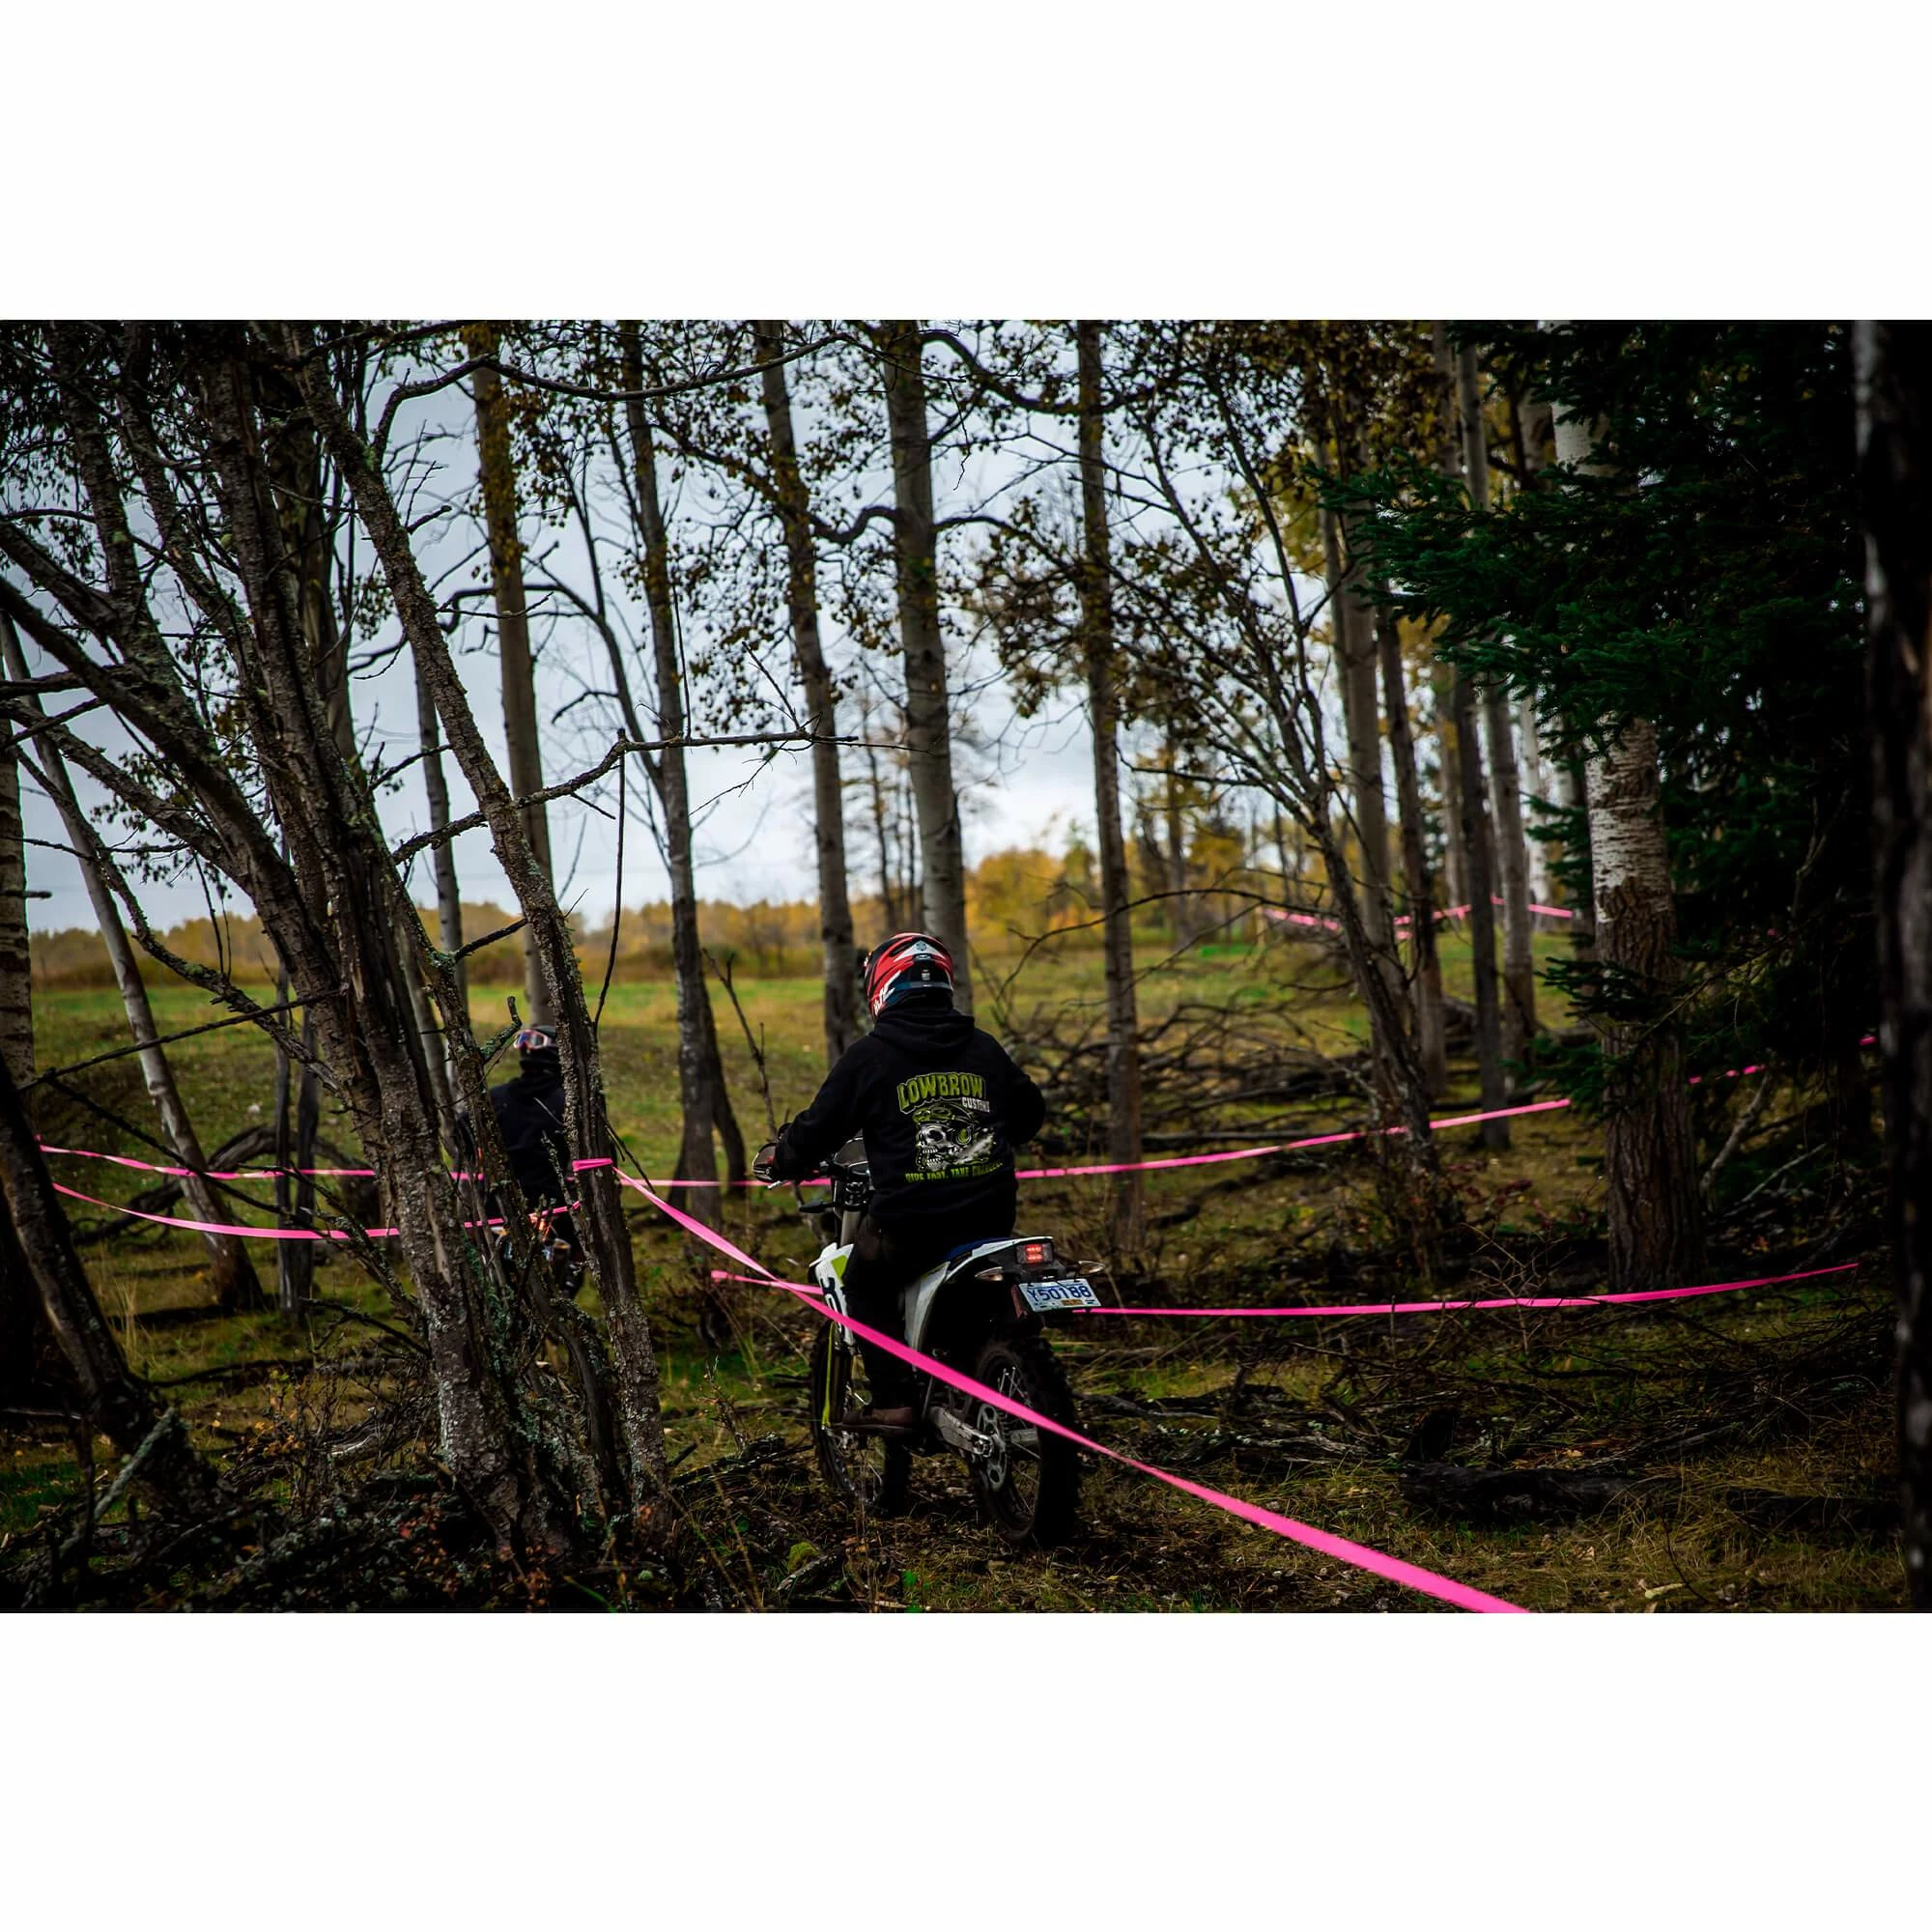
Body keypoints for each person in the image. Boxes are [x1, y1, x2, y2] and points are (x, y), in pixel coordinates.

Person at [756, 933, 1046, 1435]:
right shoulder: (982, 1047)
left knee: (862, 1280)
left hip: (913, 1225)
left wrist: (781, 1158)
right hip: (991, 1216)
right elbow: (1030, 1115)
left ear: (883, 988)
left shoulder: (871, 1056)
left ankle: (894, 1401)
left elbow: (818, 1128)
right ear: (944, 982)